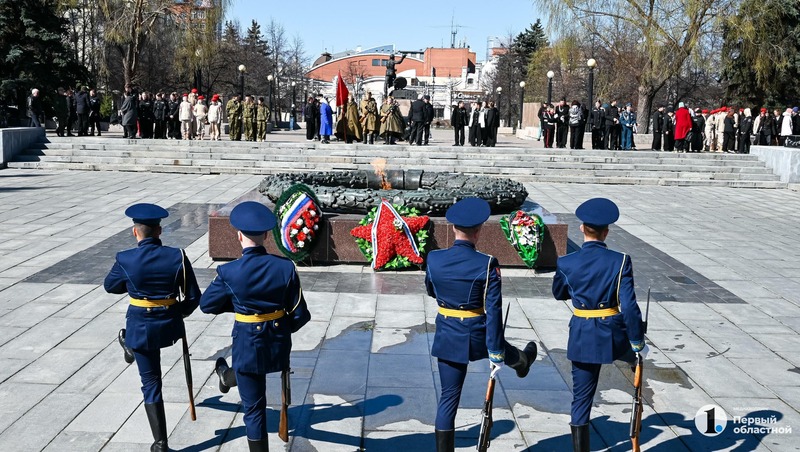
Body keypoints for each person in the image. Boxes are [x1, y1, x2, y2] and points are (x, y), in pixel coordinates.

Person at [426, 197, 538, 452]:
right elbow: (494, 310)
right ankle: (520, 360)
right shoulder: (487, 263)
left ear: (453, 228)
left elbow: (432, 291)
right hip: (478, 333)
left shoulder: (434, 258)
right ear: (479, 231)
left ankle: (520, 359)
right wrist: (496, 354)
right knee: (497, 344)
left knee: (448, 399)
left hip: (449, 334)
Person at [201, 201, 311, 452]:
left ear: (239, 236)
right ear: (265, 235)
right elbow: (300, 315)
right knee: (248, 380)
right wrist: (279, 327)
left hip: (247, 345)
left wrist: (239, 308)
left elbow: (207, 305)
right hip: (277, 344)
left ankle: (226, 375)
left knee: (254, 409)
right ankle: (226, 375)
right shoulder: (285, 267)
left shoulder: (229, 271)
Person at [551, 198, 646, 452]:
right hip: (614, 335)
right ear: (606, 231)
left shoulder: (566, 262)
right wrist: (638, 342)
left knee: (581, 399)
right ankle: (634, 362)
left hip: (582, 333)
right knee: (634, 357)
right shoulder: (620, 260)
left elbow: (559, 293)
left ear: (582, 228)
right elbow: (629, 306)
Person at [104, 203, 201, 452]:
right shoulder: (177, 255)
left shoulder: (125, 258)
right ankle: (131, 347)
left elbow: (111, 286)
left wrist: (134, 282)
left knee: (151, 382)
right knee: (146, 361)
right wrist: (175, 313)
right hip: (169, 326)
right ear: (159, 231)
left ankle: (160, 443)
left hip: (140, 326)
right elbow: (193, 297)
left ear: (135, 232)